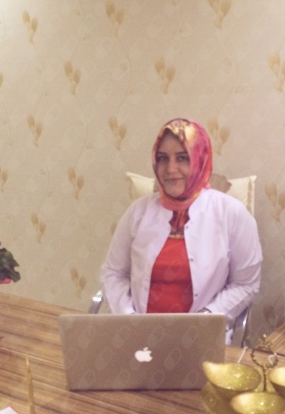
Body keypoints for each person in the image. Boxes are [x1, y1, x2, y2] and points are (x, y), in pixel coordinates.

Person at [100, 118, 262, 341]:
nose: (170, 169)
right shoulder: (138, 212)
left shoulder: (232, 213)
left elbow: (246, 284)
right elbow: (113, 273)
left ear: (200, 159)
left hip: (201, 338)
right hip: (139, 338)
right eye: (162, 158)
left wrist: (206, 319)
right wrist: (129, 319)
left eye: (182, 158)